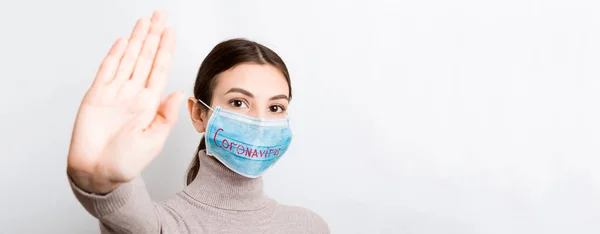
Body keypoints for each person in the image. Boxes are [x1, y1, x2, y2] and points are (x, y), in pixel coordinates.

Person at [66, 10, 329, 234]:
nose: (260, 122)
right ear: (198, 114)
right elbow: (130, 219)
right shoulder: (165, 226)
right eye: (238, 102)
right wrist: (104, 183)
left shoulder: (309, 226)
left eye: (275, 107)